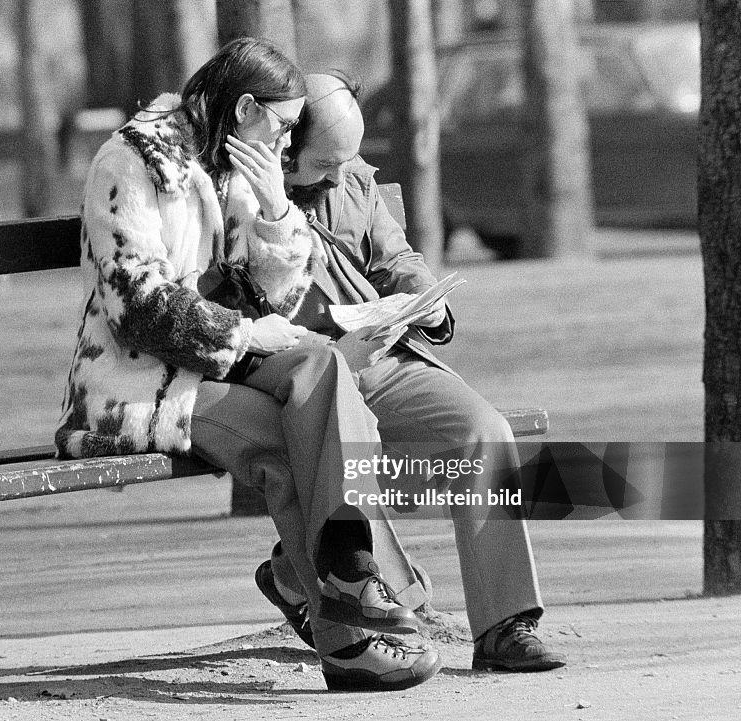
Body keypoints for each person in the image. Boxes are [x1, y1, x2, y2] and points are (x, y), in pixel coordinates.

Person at [55, 38, 441, 691]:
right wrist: (244, 332)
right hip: (138, 383)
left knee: (322, 368)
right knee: (292, 450)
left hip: (216, 367)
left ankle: (349, 569)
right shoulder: (130, 163)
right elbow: (137, 308)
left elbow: (278, 294)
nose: (290, 144)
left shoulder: (236, 163)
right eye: (286, 126)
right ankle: (349, 634)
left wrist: (275, 208)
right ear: (244, 109)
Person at [245, 71, 567, 673]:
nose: (342, 174)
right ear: (283, 142)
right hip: (300, 373)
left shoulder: (353, 177)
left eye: (349, 160)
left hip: (383, 355)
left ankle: (505, 624)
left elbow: (397, 259)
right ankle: (309, 576)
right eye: (325, 163)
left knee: (483, 431)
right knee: (349, 453)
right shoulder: (235, 193)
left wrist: (429, 303)